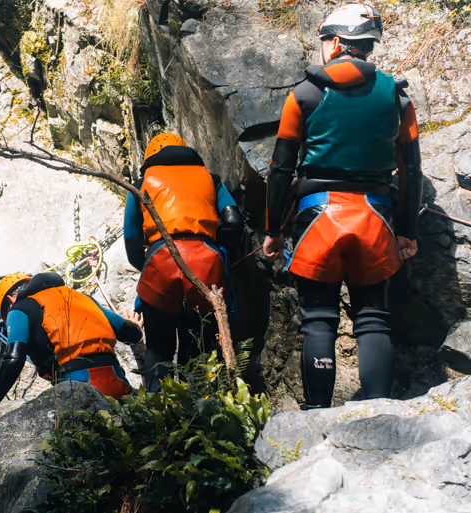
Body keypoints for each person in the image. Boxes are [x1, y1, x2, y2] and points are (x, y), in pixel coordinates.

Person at [262, 2, 422, 409]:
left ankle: (317, 412)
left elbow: (280, 170)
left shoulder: (304, 95)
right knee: (373, 320)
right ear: (366, 46)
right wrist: (407, 231)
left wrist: (273, 231)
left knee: (318, 320)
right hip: (375, 218)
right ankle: (378, 408)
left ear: (335, 43)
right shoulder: (399, 99)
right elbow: (411, 172)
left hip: (317, 220)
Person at [123, 133, 244, 391]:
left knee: (159, 348)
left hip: (160, 262)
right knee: (198, 345)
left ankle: (161, 412)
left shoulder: (140, 184)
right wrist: (226, 257)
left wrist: (146, 267)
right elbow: (233, 220)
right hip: (207, 263)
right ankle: (198, 413)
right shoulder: (211, 179)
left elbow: (132, 241)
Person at [0, 271, 143, 419]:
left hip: (77, 389)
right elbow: (131, 333)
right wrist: (134, 326)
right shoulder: (82, 298)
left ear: (9, 300)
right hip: (118, 383)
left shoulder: (19, 309)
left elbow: (13, 359)